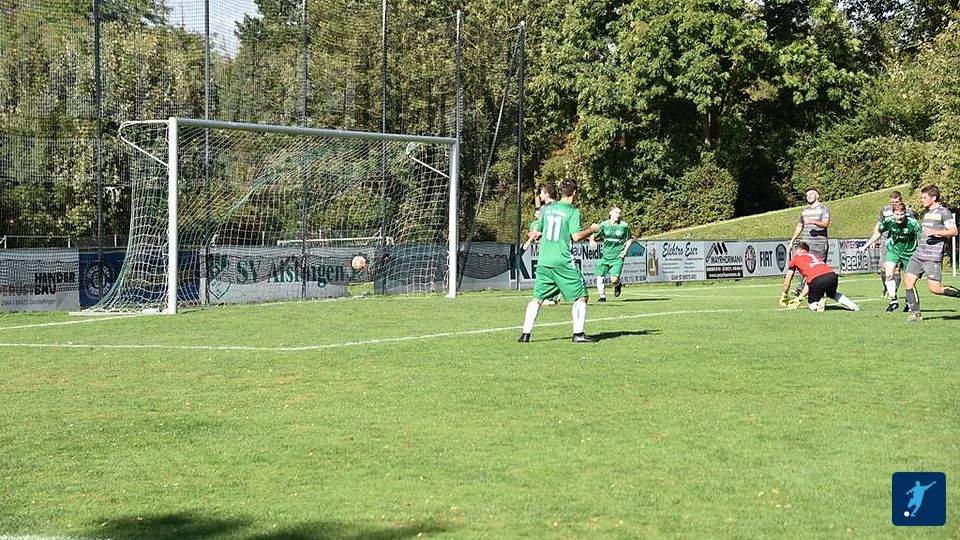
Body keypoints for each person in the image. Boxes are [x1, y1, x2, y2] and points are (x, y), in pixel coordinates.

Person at [518, 178, 600, 343]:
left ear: (561, 192)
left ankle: (525, 334)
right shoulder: (573, 212)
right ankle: (578, 334)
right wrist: (592, 229)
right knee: (582, 296)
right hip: (562, 260)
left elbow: (538, 231)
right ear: (574, 193)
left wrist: (533, 236)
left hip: (544, 260)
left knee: (537, 298)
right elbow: (576, 237)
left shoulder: (547, 209)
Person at [902, 184, 960, 322]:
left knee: (935, 289)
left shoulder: (944, 212)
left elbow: (954, 231)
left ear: (933, 198)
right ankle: (916, 315)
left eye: (924, 197)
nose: (922, 199)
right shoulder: (927, 213)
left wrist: (934, 232)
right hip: (919, 254)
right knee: (908, 281)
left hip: (932, 257)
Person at [859, 201, 921, 312]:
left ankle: (909, 302)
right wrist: (866, 246)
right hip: (893, 250)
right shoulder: (889, 222)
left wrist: (921, 254)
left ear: (905, 213)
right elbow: (878, 233)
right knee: (888, 275)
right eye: (897, 214)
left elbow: (921, 239)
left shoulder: (913, 223)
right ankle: (893, 301)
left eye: (901, 214)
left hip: (909, 252)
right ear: (893, 214)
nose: (899, 217)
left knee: (909, 280)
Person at [780, 241, 860, 312]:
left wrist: (785, 294)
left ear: (798, 250)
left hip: (817, 279)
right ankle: (852, 305)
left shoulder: (796, 258)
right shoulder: (814, 257)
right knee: (832, 294)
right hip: (832, 275)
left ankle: (818, 305)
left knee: (811, 306)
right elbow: (809, 283)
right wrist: (800, 297)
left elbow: (787, 280)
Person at [871, 190, 914, 303]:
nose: (894, 204)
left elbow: (912, 225)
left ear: (901, 200)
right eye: (893, 202)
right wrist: (874, 239)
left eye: (897, 202)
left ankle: (893, 293)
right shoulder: (885, 210)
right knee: (883, 268)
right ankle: (886, 287)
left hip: (900, 243)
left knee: (896, 269)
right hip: (885, 240)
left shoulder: (907, 210)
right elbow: (878, 224)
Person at [787, 189, 830, 295]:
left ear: (817, 196)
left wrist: (812, 221)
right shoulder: (804, 210)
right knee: (802, 265)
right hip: (806, 244)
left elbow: (825, 224)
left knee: (818, 268)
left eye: (811, 194)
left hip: (819, 244)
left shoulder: (823, 208)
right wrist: (792, 241)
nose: (809, 196)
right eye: (807, 195)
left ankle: (818, 292)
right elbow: (799, 226)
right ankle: (800, 289)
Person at [589, 205, 633, 302]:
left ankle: (618, 284)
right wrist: (592, 240)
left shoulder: (624, 226)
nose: (618, 215)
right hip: (604, 256)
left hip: (617, 257)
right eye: (616, 212)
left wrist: (625, 250)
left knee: (614, 280)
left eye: (619, 213)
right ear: (610, 213)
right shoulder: (604, 225)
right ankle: (602, 297)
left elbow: (629, 238)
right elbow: (593, 234)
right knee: (600, 277)